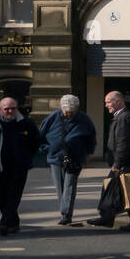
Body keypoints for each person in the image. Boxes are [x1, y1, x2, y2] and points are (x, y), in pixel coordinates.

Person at [87, 90, 130, 230]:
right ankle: (108, 217)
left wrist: (117, 164)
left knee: (125, 192)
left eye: (108, 102)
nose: (106, 105)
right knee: (118, 190)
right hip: (124, 163)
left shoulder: (123, 118)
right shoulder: (121, 116)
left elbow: (123, 142)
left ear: (118, 101)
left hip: (124, 163)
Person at [38, 94, 97, 226]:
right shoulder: (53, 117)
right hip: (56, 158)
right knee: (60, 187)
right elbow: (40, 135)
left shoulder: (84, 119)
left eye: (71, 112)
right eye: (65, 112)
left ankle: (66, 214)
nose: (68, 114)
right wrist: (46, 148)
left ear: (76, 110)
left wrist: (89, 153)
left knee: (69, 185)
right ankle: (64, 212)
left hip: (75, 157)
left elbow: (91, 137)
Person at [0, 96, 41, 235]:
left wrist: (27, 156)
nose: (10, 111)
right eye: (6, 109)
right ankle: (14, 223)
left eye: (13, 108)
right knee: (2, 199)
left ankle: (4, 223)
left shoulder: (26, 123)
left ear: (17, 108)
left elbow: (36, 141)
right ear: (0, 110)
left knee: (14, 196)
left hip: (19, 168)